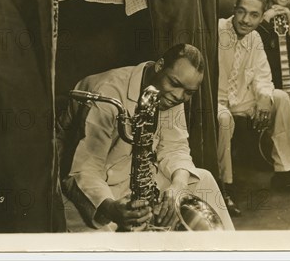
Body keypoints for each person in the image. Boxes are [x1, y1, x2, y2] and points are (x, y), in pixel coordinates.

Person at [57, 44, 235, 231]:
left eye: (188, 92)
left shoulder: (172, 92)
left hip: (134, 181)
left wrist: (178, 186)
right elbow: (84, 169)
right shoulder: (107, 93)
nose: (178, 96)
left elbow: (175, 148)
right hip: (88, 189)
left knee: (203, 179)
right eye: (174, 84)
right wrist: (111, 209)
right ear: (159, 66)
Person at [217, 0, 290, 216]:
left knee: (281, 98)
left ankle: (285, 174)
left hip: (243, 100)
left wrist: (264, 98)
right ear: (234, 9)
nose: (246, 20)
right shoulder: (217, 30)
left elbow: (263, 76)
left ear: (262, 16)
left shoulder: (255, 38)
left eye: (254, 15)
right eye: (241, 12)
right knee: (223, 119)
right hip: (216, 101)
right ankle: (223, 187)